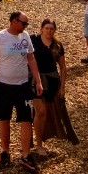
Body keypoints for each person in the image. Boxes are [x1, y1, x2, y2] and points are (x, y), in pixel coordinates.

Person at [0, 11, 44, 174]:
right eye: (23, 23)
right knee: (3, 118)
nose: (26, 27)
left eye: (26, 24)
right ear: (13, 21)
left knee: (26, 119)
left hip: (23, 85)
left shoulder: (25, 37)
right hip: (3, 86)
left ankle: (26, 155)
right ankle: (5, 151)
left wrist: (38, 80)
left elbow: (31, 58)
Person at [30, 19, 68, 158]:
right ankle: (38, 144)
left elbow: (63, 67)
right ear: (42, 29)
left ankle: (43, 137)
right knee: (40, 112)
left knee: (49, 113)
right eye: (47, 28)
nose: (49, 31)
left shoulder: (57, 46)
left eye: (52, 29)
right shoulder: (33, 40)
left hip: (52, 81)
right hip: (35, 81)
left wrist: (62, 87)